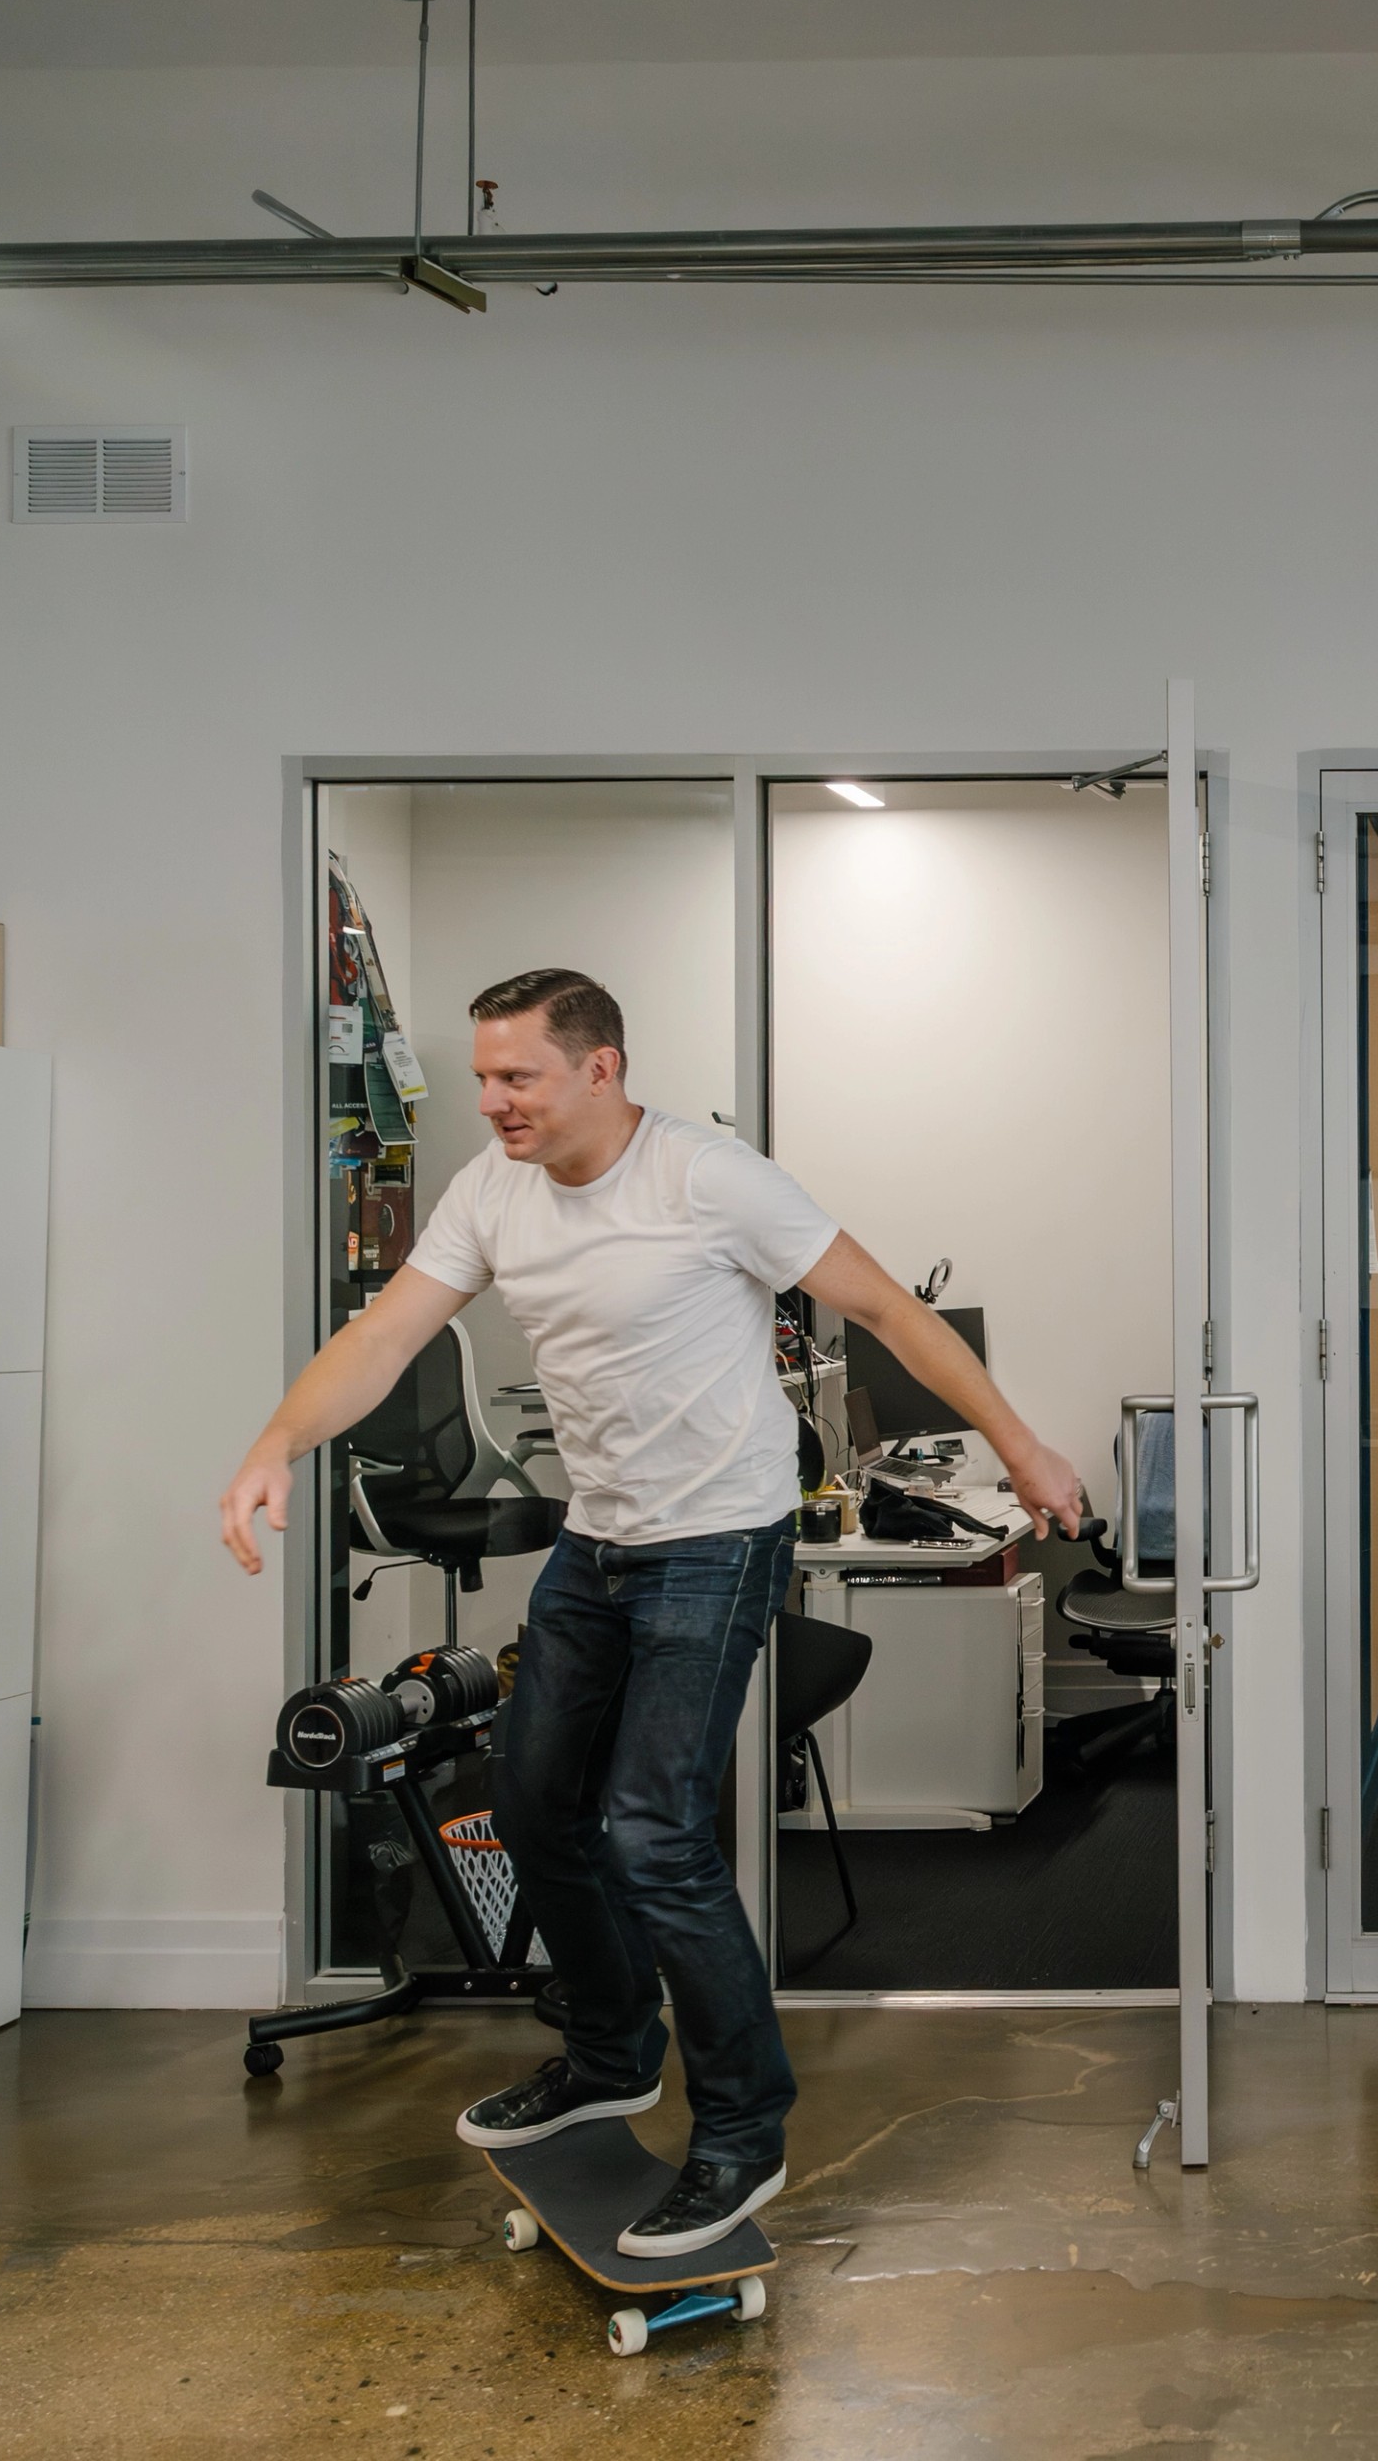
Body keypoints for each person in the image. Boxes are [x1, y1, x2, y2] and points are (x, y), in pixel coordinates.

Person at [217, 968, 1083, 2260]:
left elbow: (888, 1307)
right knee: (529, 1800)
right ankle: (613, 2054)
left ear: (600, 1071)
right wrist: (277, 1441)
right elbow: (386, 1337)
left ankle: (741, 2134)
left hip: (718, 1538)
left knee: (652, 1831)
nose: (494, 1102)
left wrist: (1019, 1449)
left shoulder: (705, 1179)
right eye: (484, 1079)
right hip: (599, 1537)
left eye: (519, 1078)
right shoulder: (489, 1193)